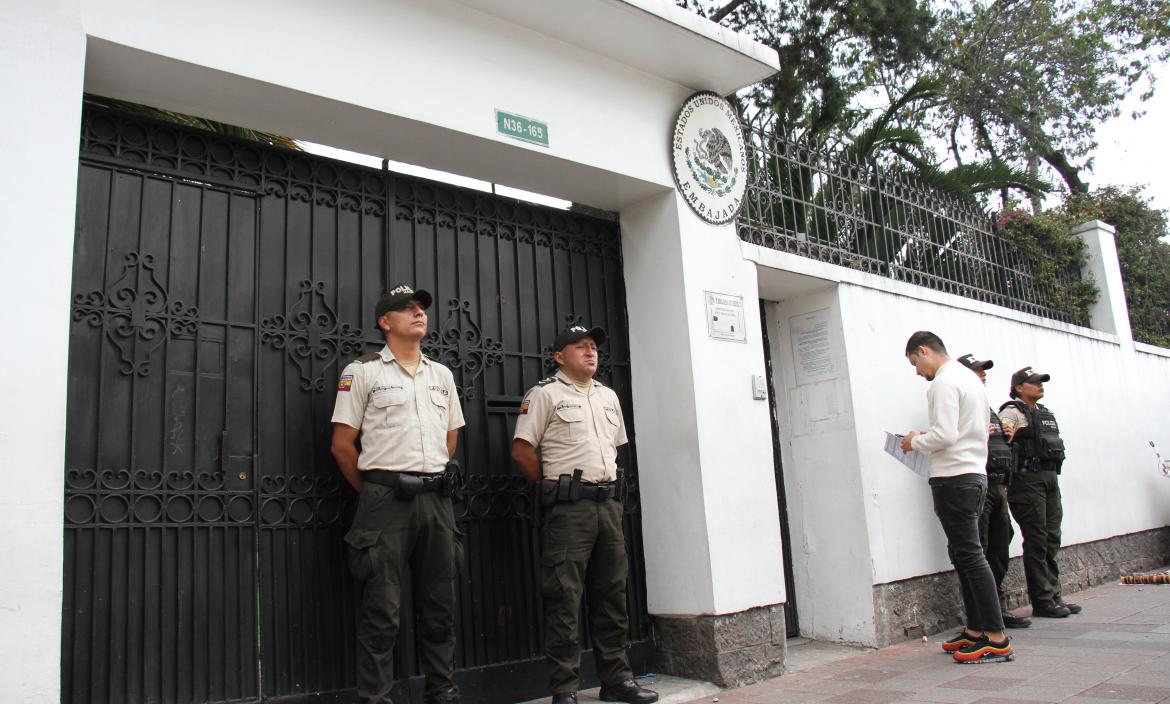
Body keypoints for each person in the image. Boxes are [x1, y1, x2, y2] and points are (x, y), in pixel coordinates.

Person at [331, 284, 465, 704]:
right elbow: (341, 445)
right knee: (382, 609)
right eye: (406, 309)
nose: (419, 313)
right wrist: (377, 489)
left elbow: (451, 437)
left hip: (436, 500)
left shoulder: (441, 375)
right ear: (384, 322)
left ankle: (441, 689)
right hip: (386, 502)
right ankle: (376, 698)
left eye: (421, 307)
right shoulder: (363, 371)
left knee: (440, 604)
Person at [511, 325, 658, 704]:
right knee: (564, 598)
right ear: (560, 356)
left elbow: (615, 449)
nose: (591, 352)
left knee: (612, 596)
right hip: (569, 509)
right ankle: (565, 689)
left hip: (608, 506)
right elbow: (523, 450)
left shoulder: (608, 397)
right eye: (581, 347)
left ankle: (616, 681)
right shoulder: (545, 395)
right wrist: (552, 486)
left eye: (593, 347)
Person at [901, 332, 1014, 664]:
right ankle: (976, 629)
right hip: (973, 475)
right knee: (965, 555)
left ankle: (995, 637)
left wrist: (913, 441)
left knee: (970, 556)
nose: (917, 371)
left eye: (914, 362)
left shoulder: (944, 382)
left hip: (955, 479)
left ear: (924, 351)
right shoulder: (970, 380)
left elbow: (946, 435)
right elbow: (966, 431)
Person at [956, 354, 1031, 629]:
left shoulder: (985, 406)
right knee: (981, 549)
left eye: (982, 371)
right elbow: (947, 438)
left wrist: (1005, 433)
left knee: (1000, 545)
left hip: (999, 485)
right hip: (980, 485)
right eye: (976, 371)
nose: (982, 375)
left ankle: (996, 607)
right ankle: (982, 615)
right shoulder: (961, 403)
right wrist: (974, 432)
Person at [1000, 367, 1080, 618]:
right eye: (1034, 382)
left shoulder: (1044, 414)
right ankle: (1043, 600)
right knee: (1037, 538)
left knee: (1052, 538)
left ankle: (1054, 595)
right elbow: (1004, 432)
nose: (1040, 385)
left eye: (1041, 382)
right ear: (1020, 387)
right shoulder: (1012, 411)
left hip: (1049, 478)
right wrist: (1007, 431)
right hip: (1026, 480)